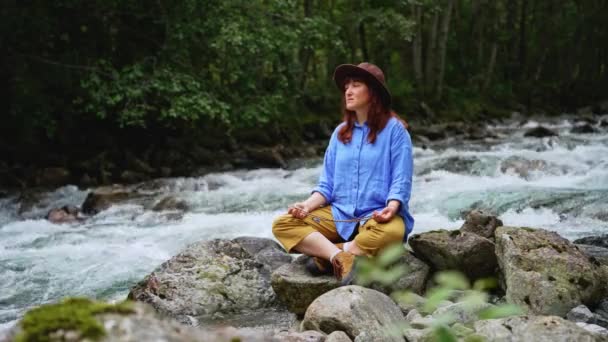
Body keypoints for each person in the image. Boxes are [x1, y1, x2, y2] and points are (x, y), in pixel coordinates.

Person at [272, 62, 414, 284]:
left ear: (373, 92)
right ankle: (340, 256)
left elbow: (401, 180)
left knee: (393, 232)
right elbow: (326, 186)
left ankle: (326, 254)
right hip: (338, 216)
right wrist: (306, 206)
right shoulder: (339, 133)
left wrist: (392, 207)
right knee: (283, 224)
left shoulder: (396, 131)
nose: (348, 91)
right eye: (347, 86)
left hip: (376, 216)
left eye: (356, 85)